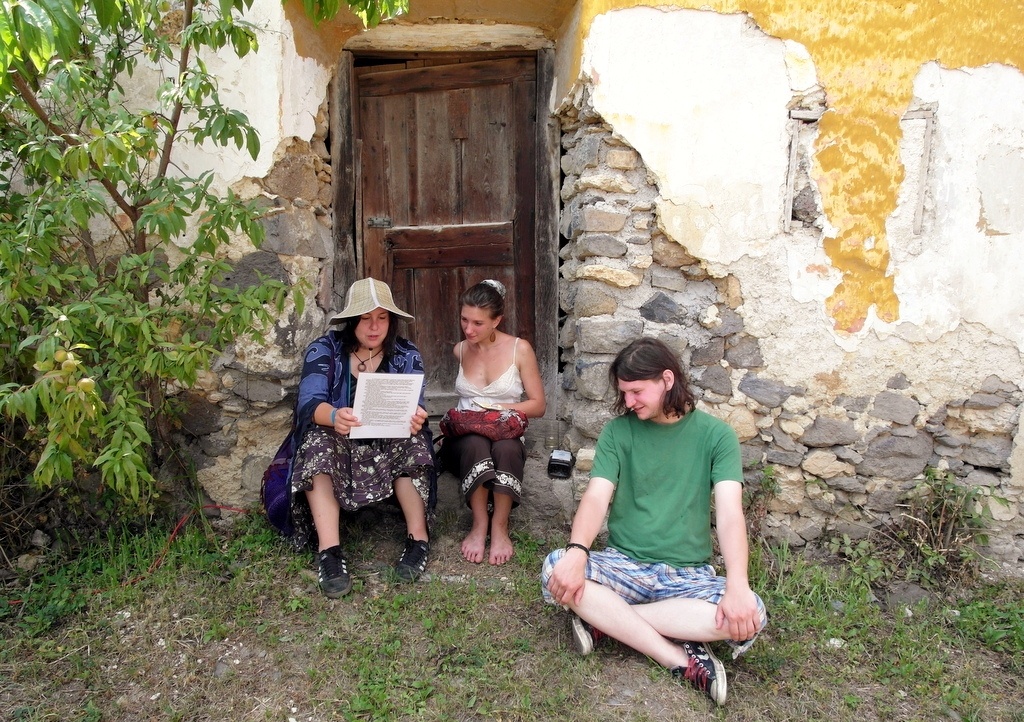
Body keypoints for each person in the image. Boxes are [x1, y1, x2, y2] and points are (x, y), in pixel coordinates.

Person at [541, 337, 766, 706]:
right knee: (556, 567)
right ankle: (677, 657)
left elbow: (729, 514)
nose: (629, 401)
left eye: (636, 391)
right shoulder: (618, 432)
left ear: (667, 379)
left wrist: (738, 586)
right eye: (624, 393)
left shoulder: (717, 436)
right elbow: (596, 496)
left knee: (751, 612)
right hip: (624, 566)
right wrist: (578, 551)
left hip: (687, 576)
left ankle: (608, 621)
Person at [284, 277, 435, 598]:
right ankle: (329, 552)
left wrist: (416, 417)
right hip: (339, 443)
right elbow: (309, 403)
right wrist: (334, 416)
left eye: (382, 317)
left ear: (391, 320)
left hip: (387, 444)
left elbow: (415, 403)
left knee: (413, 441)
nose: (374, 326)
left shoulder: (406, 354)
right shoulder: (325, 349)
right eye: (366, 318)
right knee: (318, 442)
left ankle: (418, 541)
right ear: (352, 320)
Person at [441, 279, 546, 566]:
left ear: (496, 321)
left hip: (503, 430)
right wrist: (477, 419)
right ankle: (479, 524)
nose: (469, 329)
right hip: (464, 438)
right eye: (464, 320)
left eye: (478, 323)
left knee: (507, 448)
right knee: (476, 443)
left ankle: (500, 526)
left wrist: (496, 410)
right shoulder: (460, 350)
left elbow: (538, 405)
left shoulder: (519, 349)